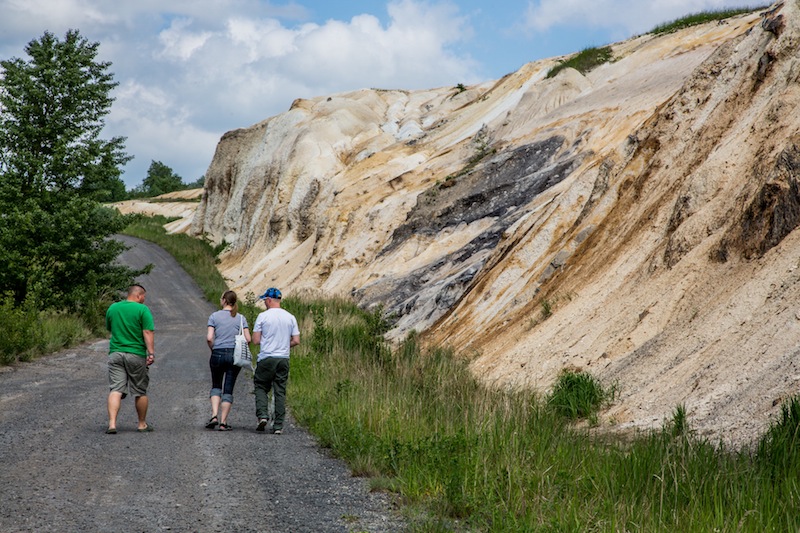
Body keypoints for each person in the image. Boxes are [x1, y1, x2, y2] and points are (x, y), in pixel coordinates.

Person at [105, 283, 155, 434]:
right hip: (136, 354)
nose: (144, 300)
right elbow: (147, 332)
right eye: (144, 297)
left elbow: (109, 327)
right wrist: (151, 353)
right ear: (138, 295)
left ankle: (112, 424)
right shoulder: (142, 310)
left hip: (115, 354)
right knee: (140, 390)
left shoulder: (113, 308)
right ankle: (141, 424)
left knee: (116, 389)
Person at [252, 287, 299, 434]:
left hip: (267, 357)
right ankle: (278, 425)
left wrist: (268, 342)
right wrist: (284, 344)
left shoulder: (262, 316)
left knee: (260, 386)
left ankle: (262, 416)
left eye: (265, 300)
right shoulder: (290, 317)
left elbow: (255, 340)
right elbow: (296, 340)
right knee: (280, 391)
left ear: (269, 300)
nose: (264, 303)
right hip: (283, 358)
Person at [205, 290, 251, 431]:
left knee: (216, 385)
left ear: (224, 300)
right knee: (228, 389)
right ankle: (224, 422)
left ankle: (214, 415)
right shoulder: (241, 318)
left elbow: (209, 337)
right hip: (233, 355)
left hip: (217, 353)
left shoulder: (214, 316)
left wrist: (214, 349)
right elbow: (248, 339)